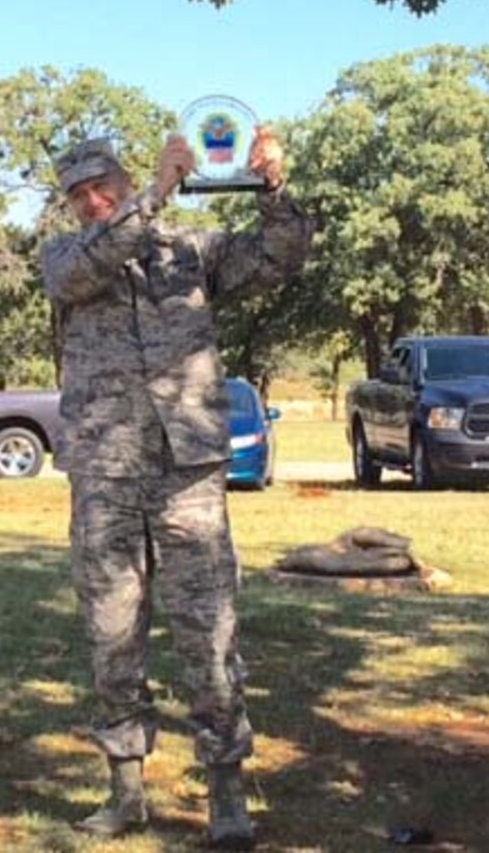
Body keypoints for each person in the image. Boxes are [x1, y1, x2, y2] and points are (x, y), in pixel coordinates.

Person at [41, 130, 312, 849]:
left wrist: (274, 188)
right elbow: (88, 268)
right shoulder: (66, 256)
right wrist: (157, 196)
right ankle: (125, 789)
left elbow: (280, 258)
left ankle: (226, 789)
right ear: (70, 206)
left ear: (124, 179)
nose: (95, 200)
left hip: (186, 469)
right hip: (107, 471)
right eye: (80, 194)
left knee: (210, 629)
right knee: (111, 631)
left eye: (106, 185)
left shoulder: (191, 250)